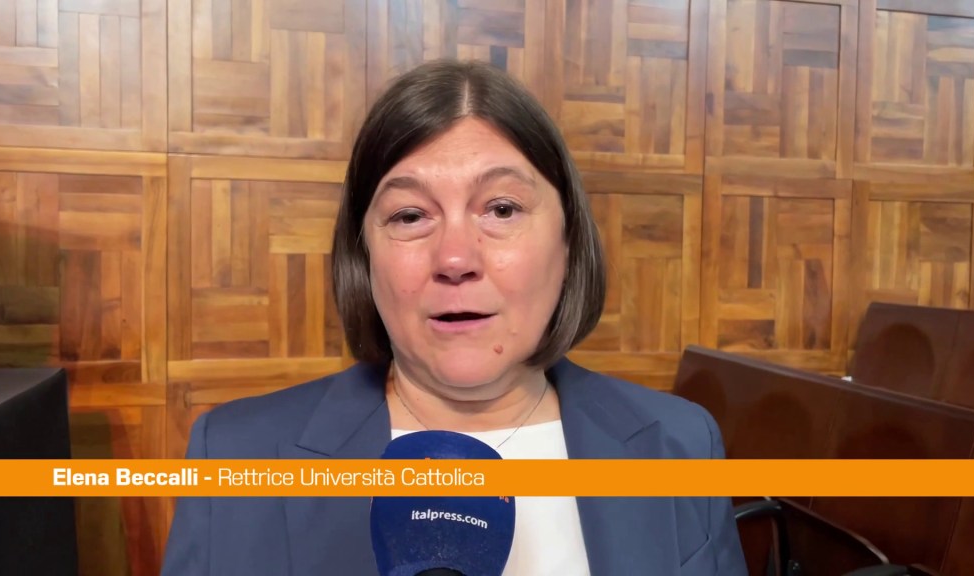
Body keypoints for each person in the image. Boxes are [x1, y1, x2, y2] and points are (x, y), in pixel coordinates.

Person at [161, 59, 748, 576]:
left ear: (568, 242)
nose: (455, 259)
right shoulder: (236, 455)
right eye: (410, 215)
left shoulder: (681, 444)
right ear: (363, 255)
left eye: (502, 209)